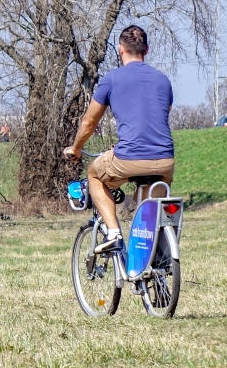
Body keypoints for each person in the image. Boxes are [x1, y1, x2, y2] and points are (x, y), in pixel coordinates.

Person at [63, 25, 175, 272]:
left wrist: (76, 148)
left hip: (129, 158)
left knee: (94, 174)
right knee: (150, 212)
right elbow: (157, 118)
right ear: (146, 49)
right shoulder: (163, 80)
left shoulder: (112, 79)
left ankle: (113, 233)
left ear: (120, 49)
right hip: (165, 161)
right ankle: (155, 267)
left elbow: (89, 122)